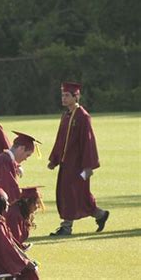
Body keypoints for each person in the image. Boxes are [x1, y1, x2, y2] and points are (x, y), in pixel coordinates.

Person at [48, 82, 109, 236]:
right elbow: (60, 140)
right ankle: (100, 215)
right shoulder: (66, 115)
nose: (63, 98)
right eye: (62, 95)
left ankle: (66, 227)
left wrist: (88, 166)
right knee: (76, 195)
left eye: (67, 95)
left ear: (76, 96)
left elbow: (88, 142)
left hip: (78, 165)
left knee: (72, 193)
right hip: (66, 164)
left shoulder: (82, 116)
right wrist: (55, 159)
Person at [0, 182, 39, 279]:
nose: (9, 203)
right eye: (6, 201)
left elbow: (8, 245)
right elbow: (6, 249)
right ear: (0, 203)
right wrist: (25, 263)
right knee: (29, 271)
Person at [0, 131, 40, 209]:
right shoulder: (5, 163)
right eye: (27, 155)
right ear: (21, 148)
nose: (26, 158)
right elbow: (10, 189)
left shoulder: (4, 159)